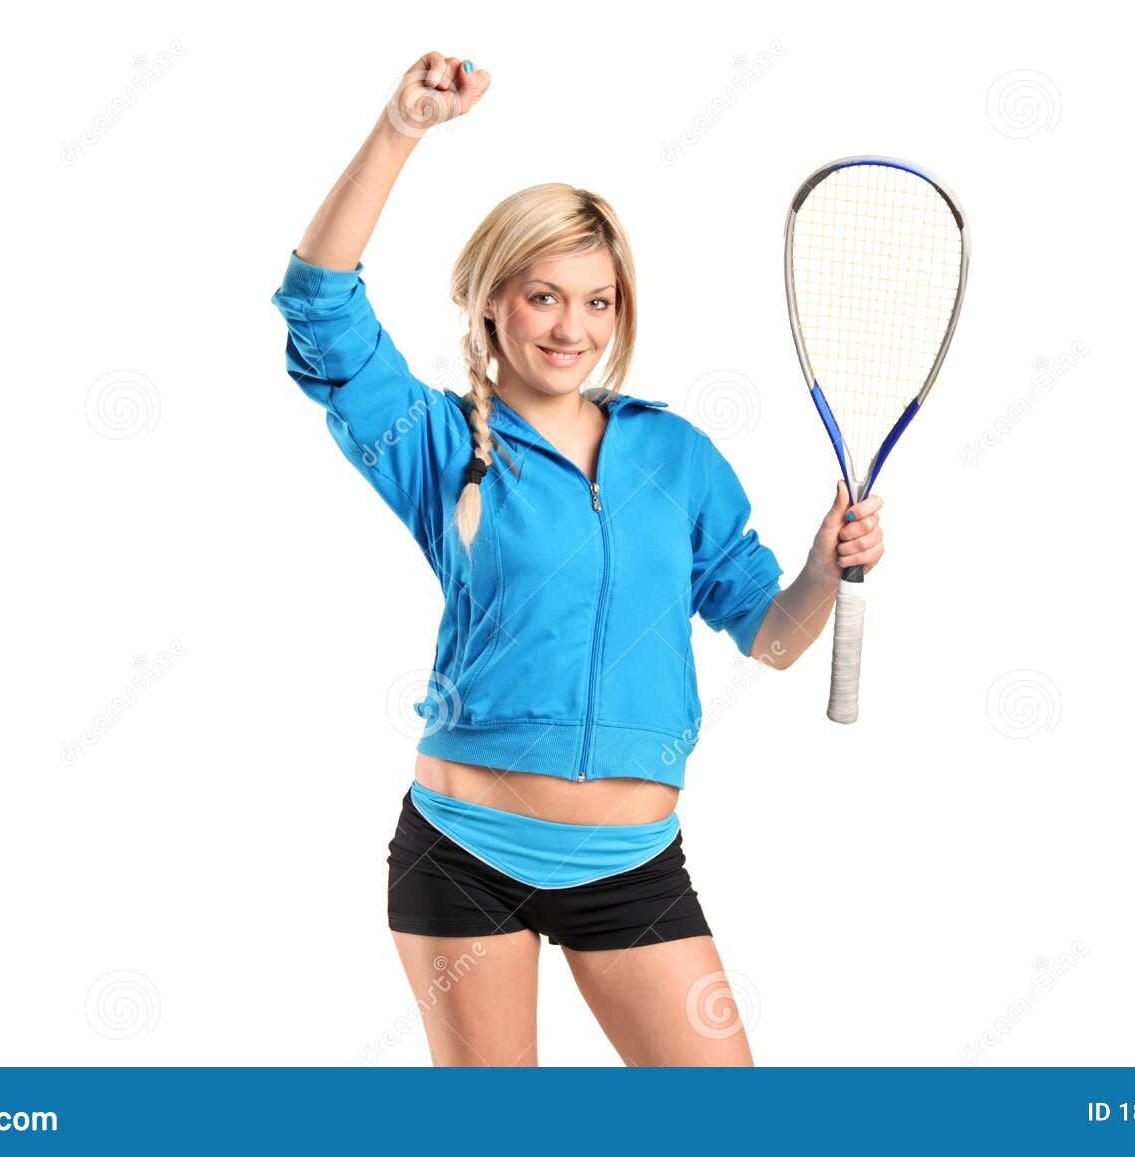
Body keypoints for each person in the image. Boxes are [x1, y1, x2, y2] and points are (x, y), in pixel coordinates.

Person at [270, 52, 884, 1066]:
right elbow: (319, 308)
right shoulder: (436, 440)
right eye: (543, 295)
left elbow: (769, 637)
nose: (572, 327)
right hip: (464, 851)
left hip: (632, 864)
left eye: (597, 301)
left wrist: (823, 568)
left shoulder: (675, 455)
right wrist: (398, 127)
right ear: (490, 303)